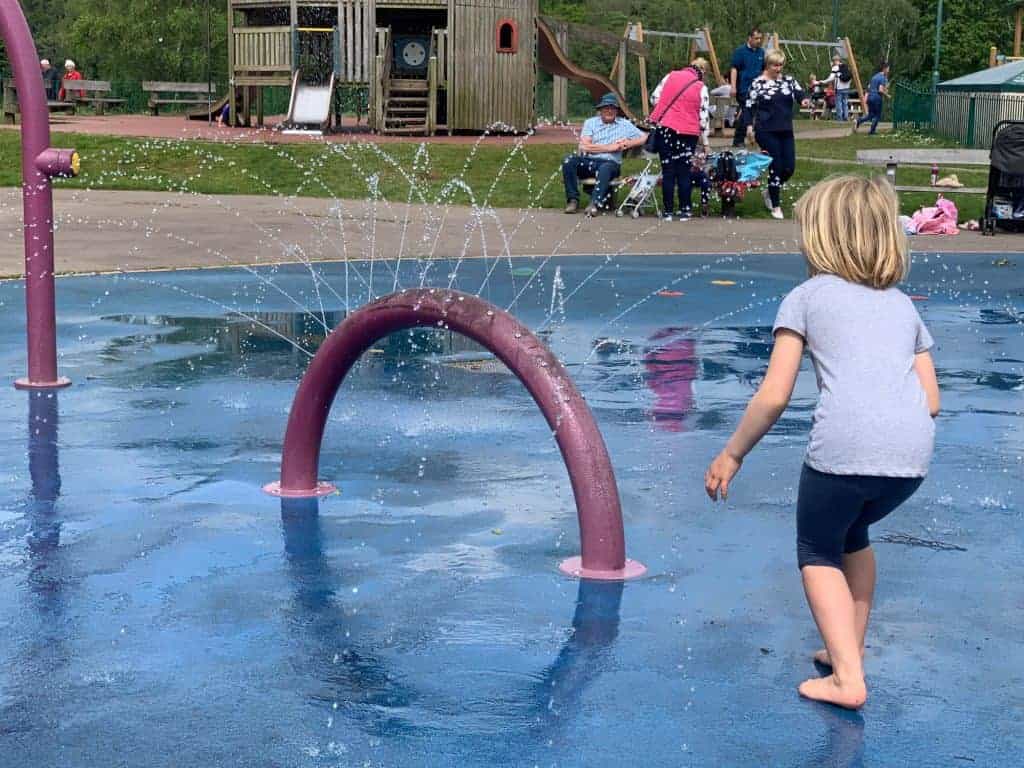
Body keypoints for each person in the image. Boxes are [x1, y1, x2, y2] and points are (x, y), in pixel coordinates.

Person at [704, 175, 940, 710]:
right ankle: (846, 651)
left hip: (841, 453)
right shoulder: (903, 305)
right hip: (910, 461)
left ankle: (847, 681)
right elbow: (932, 400)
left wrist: (732, 452)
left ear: (821, 238)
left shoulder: (806, 298)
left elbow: (773, 395)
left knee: (816, 548)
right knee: (853, 535)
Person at [743, 49, 809, 220]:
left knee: (789, 167)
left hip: (785, 129)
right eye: (774, 65)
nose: (778, 68)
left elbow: (800, 93)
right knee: (776, 166)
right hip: (766, 130)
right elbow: (749, 106)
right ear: (767, 65)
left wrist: (804, 100)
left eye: (780, 65)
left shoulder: (788, 81)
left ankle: (770, 190)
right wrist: (749, 127)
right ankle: (775, 204)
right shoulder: (758, 83)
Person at [562, 93, 647, 216]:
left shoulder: (624, 124)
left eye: (612, 108)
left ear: (617, 111)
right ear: (600, 110)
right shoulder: (590, 123)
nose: (609, 110)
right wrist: (611, 147)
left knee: (605, 168)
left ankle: (594, 204)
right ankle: (572, 200)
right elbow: (584, 146)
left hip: (611, 164)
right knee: (568, 160)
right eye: (606, 108)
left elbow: (645, 137)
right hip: (589, 161)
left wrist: (628, 143)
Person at [649, 57, 711, 221]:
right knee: (684, 171)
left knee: (668, 171)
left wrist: (671, 109)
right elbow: (703, 117)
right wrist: (705, 142)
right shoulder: (701, 87)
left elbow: (654, 98)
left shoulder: (670, 76)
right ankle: (685, 210)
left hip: (666, 129)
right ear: (702, 71)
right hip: (688, 132)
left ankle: (668, 211)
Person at [729, 26, 765, 148]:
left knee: (752, 113)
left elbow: (764, 70)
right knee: (746, 112)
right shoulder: (740, 52)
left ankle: (752, 137)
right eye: (756, 38)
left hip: (758, 89)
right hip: (744, 89)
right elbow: (734, 69)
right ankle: (738, 139)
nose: (758, 41)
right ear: (749, 38)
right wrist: (733, 87)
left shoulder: (761, 53)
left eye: (760, 38)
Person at [854, 62, 890, 135]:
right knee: (877, 115)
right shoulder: (882, 78)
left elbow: (869, 88)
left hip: (870, 97)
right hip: (877, 98)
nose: (889, 71)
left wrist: (866, 98)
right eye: (888, 69)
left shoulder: (874, 77)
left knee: (870, 115)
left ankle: (858, 121)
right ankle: (872, 131)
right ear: (885, 69)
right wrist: (887, 95)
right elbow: (880, 90)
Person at [821, 55, 854, 122]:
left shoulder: (835, 67)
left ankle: (840, 118)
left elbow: (831, 78)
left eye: (833, 61)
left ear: (835, 60)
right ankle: (846, 117)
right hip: (847, 88)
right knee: (845, 103)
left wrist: (823, 81)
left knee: (838, 103)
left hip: (839, 88)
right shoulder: (846, 66)